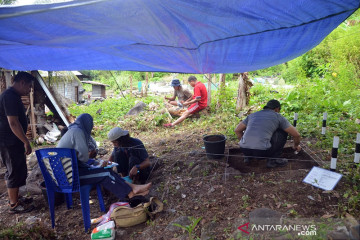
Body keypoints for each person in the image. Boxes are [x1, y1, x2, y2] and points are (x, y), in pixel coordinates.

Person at [57, 113, 151, 200]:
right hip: (69, 177)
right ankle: (131, 194)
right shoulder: (78, 132)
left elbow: (80, 157)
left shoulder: (73, 131)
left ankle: (134, 187)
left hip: (68, 172)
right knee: (105, 173)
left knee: (106, 171)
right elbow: (84, 158)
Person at [0, 71, 35, 213]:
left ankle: (17, 198)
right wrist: (26, 141)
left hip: (13, 141)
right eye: (29, 87)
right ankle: (14, 205)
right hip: (8, 141)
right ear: (22, 83)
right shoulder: (9, 96)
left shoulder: (13, 96)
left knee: (19, 168)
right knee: (13, 170)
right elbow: (13, 123)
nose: (30, 90)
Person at [234, 99, 301, 168]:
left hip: (244, 150)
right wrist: (296, 145)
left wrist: (244, 142)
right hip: (262, 152)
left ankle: (248, 157)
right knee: (283, 131)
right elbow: (296, 135)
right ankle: (273, 160)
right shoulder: (278, 116)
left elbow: (237, 130)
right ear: (277, 109)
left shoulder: (252, 115)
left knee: (251, 130)